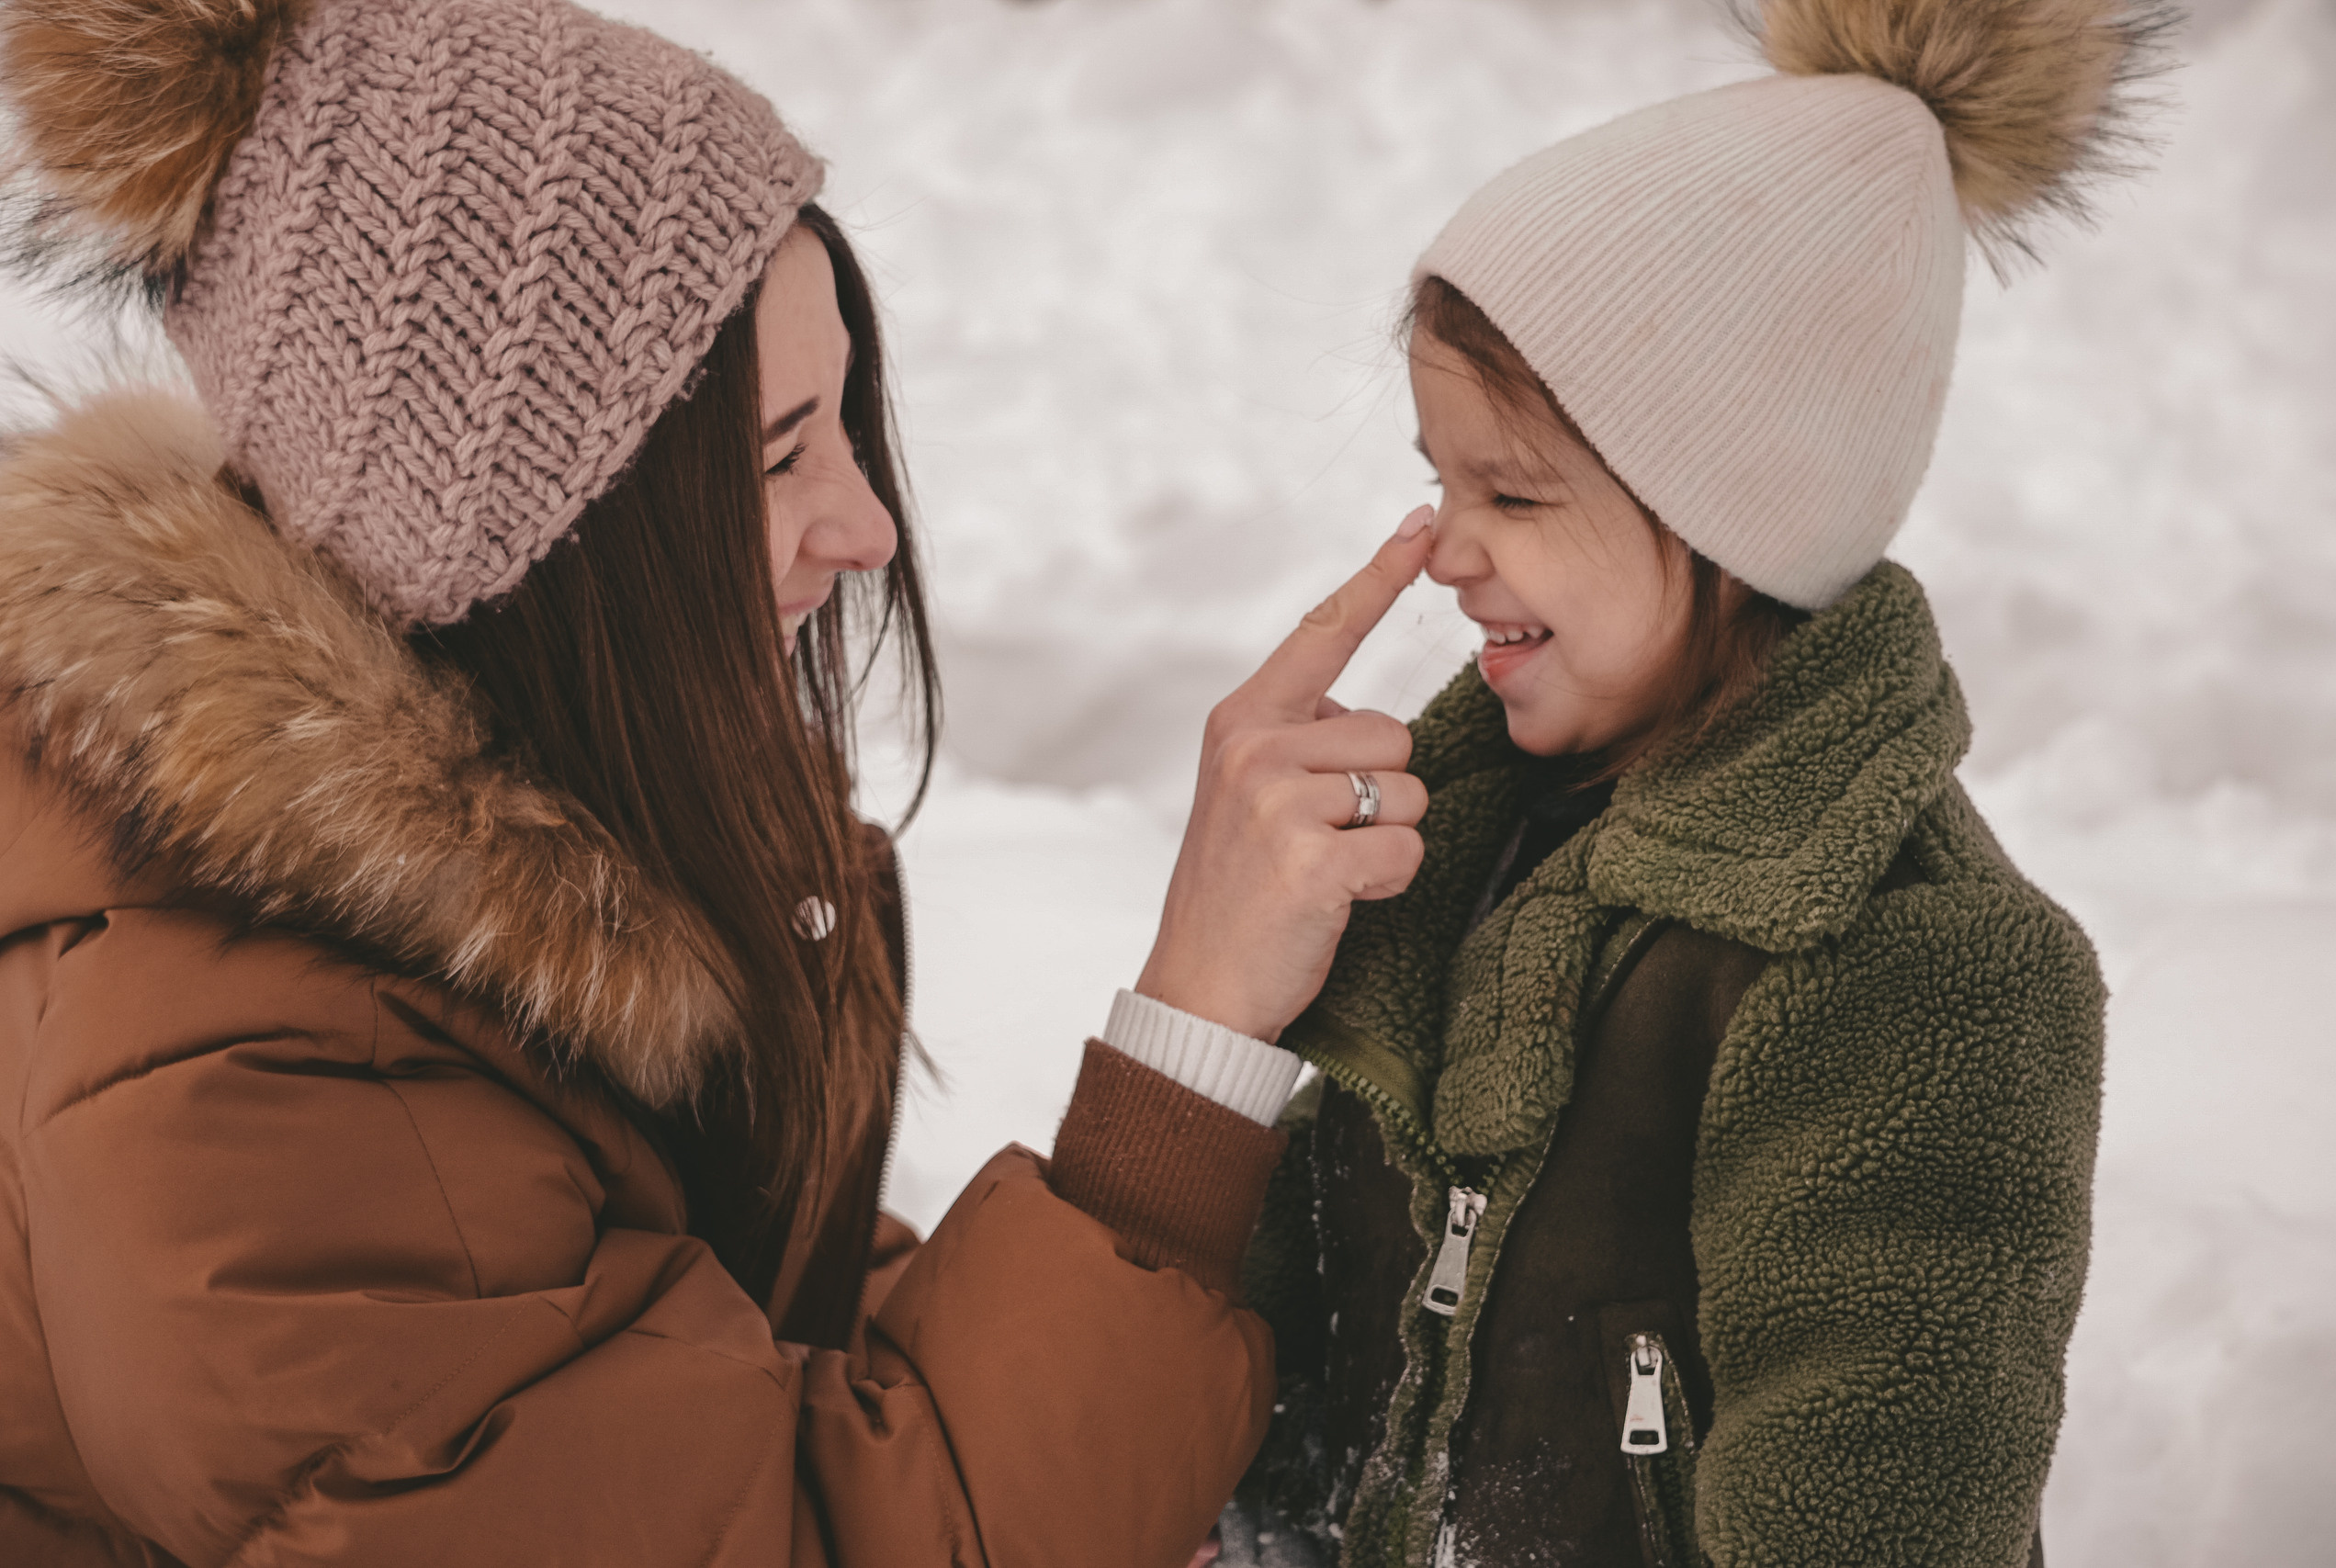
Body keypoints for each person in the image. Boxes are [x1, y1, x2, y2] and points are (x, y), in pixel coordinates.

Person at [0, 0, 1435, 1562]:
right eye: (776, 457)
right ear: (545, 556)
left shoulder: (527, 845)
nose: (866, 527)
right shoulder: (255, 1096)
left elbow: (705, 1335)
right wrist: (1191, 1044)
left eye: (845, 425)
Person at [1226, 0, 2170, 1563]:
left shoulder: (1913, 970)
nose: (1446, 554)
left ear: (1739, 513)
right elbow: (1279, 1316)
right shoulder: (1446, 853)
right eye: (1438, 480)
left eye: (1515, 493)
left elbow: (1875, 1518)